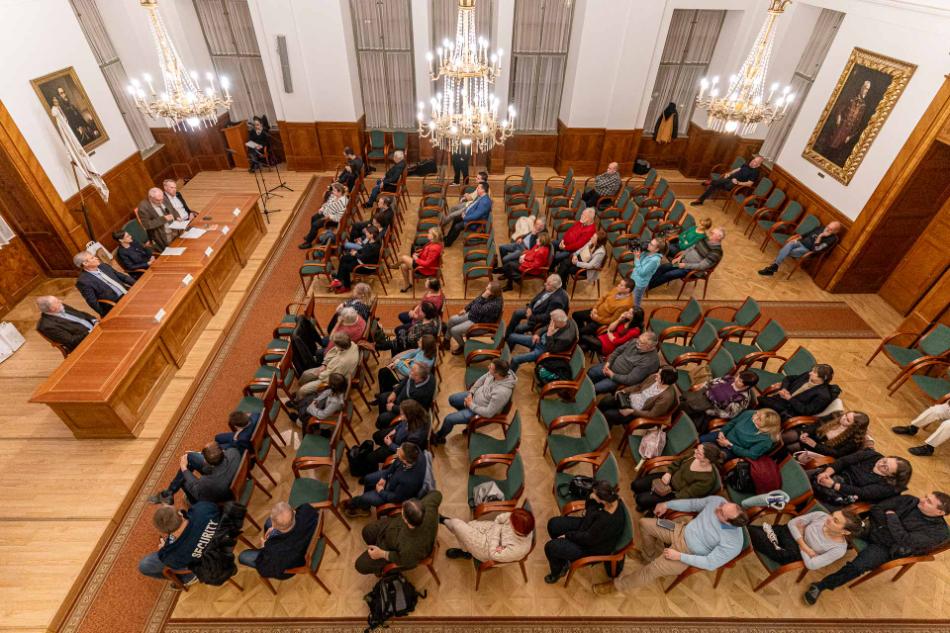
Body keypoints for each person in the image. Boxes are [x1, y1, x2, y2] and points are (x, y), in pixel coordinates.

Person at [803, 491, 949, 605]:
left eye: (929, 502)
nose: (922, 499)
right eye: (926, 496)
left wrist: (892, 517)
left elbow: (905, 540)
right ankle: (806, 542)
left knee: (857, 567)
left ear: (940, 513)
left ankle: (821, 586)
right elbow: (877, 508)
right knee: (839, 525)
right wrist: (891, 526)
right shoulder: (910, 500)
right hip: (873, 527)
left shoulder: (939, 533)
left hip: (886, 548)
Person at [593, 496, 749, 594]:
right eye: (722, 506)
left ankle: (617, 586)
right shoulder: (719, 502)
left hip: (687, 553)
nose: (718, 508)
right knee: (644, 523)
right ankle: (647, 556)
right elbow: (693, 504)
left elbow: (709, 563)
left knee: (652, 570)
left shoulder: (733, 544)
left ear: (730, 523)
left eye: (721, 512)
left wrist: (679, 556)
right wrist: (667, 504)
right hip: (679, 530)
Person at [544, 480, 625, 584]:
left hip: (591, 547)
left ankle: (558, 571)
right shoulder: (609, 500)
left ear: (603, 500)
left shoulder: (607, 521)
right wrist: (591, 498)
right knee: (553, 524)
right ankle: (562, 558)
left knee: (550, 548)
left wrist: (567, 536)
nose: (592, 494)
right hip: (588, 527)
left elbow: (588, 538)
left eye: (594, 494)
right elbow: (588, 510)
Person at [354, 490, 442, 575]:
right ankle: (375, 550)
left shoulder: (410, 548)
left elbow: (405, 561)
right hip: (393, 526)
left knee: (360, 565)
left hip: (391, 547)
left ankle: (379, 566)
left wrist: (382, 554)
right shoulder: (428, 506)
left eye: (403, 510)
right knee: (366, 531)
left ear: (405, 519)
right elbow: (437, 494)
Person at [432, 359, 515, 444]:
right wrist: (471, 393)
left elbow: (489, 413)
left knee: (449, 419)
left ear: (497, 374)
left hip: (478, 410)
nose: (488, 367)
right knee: (452, 399)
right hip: (473, 397)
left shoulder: (502, 393)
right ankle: (468, 422)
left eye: (490, 367)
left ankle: (438, 438)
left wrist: (470, 405)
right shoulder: (494, 373)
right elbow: (480, 380)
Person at [138, 502, 221, 586]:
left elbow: (173, 564)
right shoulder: (204, 509)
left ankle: (188, 577)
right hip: (222, 543)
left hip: (204, 563)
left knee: (144, 566)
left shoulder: (168, 555)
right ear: (180, 514)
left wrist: (164, 549)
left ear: (164, 531)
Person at [749, 508, 862, 570]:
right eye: (832, 515)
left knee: (751, 532)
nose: (829, 519)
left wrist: (801, 535)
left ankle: (745, 537)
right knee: (754, 532)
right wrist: (806, 547)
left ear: (845, 532)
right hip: (785, 532)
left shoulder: (839, 549)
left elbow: (812, 565)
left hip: (790, 552)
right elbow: (792, 523)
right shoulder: (821, 515)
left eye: (835, 521)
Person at [630, 442, 724, 513]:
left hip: (674, 493)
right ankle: (646, 499)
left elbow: (687, 494)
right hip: (669, 477)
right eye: (697, 449)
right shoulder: (693, 454)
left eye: (699, 453)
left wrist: (668, 502)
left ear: (707, 459)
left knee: (641, 500)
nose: (695, 451)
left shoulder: (707, 479)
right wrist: (669, 473)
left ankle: (647, 506)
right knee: (635, 485)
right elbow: (677, 462)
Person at [238, 501, 319, 578]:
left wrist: (263, 547)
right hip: (305, 541)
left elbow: (265, 571)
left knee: (243, 556)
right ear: (294, 512)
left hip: (294, 564)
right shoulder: (306, 510)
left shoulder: (273, 549)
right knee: (268, 523)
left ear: (274, 525)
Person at [342, 442, 426, 517]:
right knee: (367, 478)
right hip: (392, 478)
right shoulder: (414, 449)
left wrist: (381, 491)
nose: (397, 452)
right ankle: (365, 506)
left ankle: (357, 503)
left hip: (390, 493)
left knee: (365, 497)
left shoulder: (409, 482)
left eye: (399, 454)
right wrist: (383, 477)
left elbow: (396, 498)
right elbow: (395, 463)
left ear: (405, 461)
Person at [148, 440, 241, 506]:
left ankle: (195, 504)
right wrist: (198, 454)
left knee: (184, 480)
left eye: (204, 457)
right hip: (226, 475)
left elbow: (196, 489)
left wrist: (184, 468)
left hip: (223, 494)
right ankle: (169, 492)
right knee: (190, 457)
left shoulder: (207, 481)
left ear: (208, 463)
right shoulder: (233, 452)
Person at [810, 450, 912, 509]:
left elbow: (861, 492)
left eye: (886, 468)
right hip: (832, 474)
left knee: (811, 504)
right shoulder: (873, 455)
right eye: (884, 461)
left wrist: (833, 485)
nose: (881, 464)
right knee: (802, 480)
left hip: (844, 492)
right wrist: (827, 473)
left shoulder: (888, 486)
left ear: (891, 476)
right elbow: (843, 461)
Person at [444, 507, 535, 563]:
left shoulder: (518, 549)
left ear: (515, 528)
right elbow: (500, 518)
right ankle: (465, 552)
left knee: (456, 525)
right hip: (490, 529)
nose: (509, 518)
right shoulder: (520, 520)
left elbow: (493, 554)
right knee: (464, 527)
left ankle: (443, 520)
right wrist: (497, 530)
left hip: (485, 547)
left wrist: (497, 530)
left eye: (510, 522)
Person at [680, 371, 759, 434]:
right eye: (738, 376)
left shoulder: (741, 398)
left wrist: (710, 411)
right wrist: (704, 388)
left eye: (740, 381)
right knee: (685, 401)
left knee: (687, 407)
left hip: (711, 409)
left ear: (746, 386)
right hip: (703, 395)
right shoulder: (729, 378)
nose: (736, 379)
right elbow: (711, 382)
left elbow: (729, 414)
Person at [597, 366, 679, 428]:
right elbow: (639, 387)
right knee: (606, 401)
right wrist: (624, 390)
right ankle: (596, 418)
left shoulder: (666, 398)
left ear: (664, 381)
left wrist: (632, 411)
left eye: (659, 375)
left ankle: (602, 432)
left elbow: (652, 414)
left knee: (609, 415)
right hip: (630, 399)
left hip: (638, 412)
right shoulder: (654, 378)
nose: (656, 374)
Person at [586, 331, 660, 394]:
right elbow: (618, 350)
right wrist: (608, 363)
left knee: (596, 388)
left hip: (619, 379)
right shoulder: (636, 341)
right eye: (639, 339)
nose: (637, 342)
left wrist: (612, 375)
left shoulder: (649, 361)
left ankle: (588, 399)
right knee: (591, 372)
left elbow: (631, 379)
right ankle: (585, 390)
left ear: (649, 347)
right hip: (610, 366)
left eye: (641, 343)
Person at [757, 364, 840, 420]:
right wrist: (784, 388)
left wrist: (790, 398)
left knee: (761, 401)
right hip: (783, 399)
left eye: (814, 372)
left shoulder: (823, 396)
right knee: (761, 403)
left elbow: (806, 411)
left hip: (790, 410)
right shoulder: (807, 375)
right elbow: (789, 378)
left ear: (822, 378)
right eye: (812, 370)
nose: (810, 373)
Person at [649, 228, 724, 289]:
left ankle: (648, 286)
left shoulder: (716, 252)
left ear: (719, 237)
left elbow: (702, 266)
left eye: (713, 233)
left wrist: (685, 265)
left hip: (691, 270)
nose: (710, 233)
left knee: (668, 274)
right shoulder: (705, 240)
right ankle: (647, 281)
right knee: (664, 267)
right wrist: (680, 257)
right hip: (682, 262)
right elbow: (690, 248)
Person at [758, 222, 843, 276]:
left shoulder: (832, 239)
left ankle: (773, 267)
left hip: (807, 250)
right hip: (800, 242)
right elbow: (808, 233)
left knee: (786, 250)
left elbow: (816, 249)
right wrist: (798, 238)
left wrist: (820, 237)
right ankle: (774, 266)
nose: (827, 229)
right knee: (790, 243)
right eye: (828, 226)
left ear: (835, 231)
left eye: (830, 229)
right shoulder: (820, 227)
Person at [508, 309, 577, 374]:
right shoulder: (563, 321)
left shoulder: (565, 338)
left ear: (558, 322)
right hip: (539, 339)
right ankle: (506, 356)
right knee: (511, 336)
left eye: (552, 320)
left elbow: (552, 350)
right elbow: (546, 327)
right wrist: (537, 334)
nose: (551, 322)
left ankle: (509, 378)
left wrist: (549, 335)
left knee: (515, 359)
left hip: (543, 349)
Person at [698, 408, 781, 461]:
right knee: (700, 440)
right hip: (724, 436)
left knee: (712, 457)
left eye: (759, 419)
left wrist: (729, 445)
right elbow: (733, 423)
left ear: (766, 426)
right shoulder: (750, 414)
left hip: (733, 450)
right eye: (757, 414)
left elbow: (751, 455)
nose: (755, 417)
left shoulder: (766, 440)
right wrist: (722, 432)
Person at [445, 281, 504, 354]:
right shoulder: (487, 293)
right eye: (487, 287)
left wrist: (482, 298)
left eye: (488, 288)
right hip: (474, 316)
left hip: (480, 324)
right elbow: (475, 301)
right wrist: (466, 309)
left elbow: (478, 310)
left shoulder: (495, 304)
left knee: (454, 330)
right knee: (452, 319)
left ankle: (462, 346)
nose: (486, 288)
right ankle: (446, 340)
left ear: (493, 292)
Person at [296, 332, 360, 399]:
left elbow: (331, 377)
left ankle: (297, 400)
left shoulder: (342, 363)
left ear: (340, 347)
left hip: (333, 380)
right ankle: (302, 388)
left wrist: (319, 374)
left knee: (302, 390)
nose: (335, 346)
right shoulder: (351, 344)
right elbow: (333, 352)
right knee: (305, 374)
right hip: (329, 370)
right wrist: (324, 364)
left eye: (335, 345)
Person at [366, 399, 431, 466]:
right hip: (398, 437)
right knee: (376, 436)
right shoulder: (414, 417)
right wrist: (395, 430)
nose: (400, 416)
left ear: (409, 415)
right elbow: (402, 423)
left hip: (398, 448)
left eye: (402, 414)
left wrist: (390, 444)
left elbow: (406, 452)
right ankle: (382, 448)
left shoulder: (415, 436)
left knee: (370, 458)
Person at [784, 410, 870, 458]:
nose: (843, 418)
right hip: (811, 436)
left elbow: (837, 454)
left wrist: (815, 445)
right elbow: (816, 424)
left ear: (854, 427)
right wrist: (807, 432)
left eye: (847, 420)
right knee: (788, 436)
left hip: (818, 450)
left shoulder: (853, 441)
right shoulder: (836, 415)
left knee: (790, 448)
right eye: (846, 415)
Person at [504, 274, 569, 338]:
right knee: (517, 313)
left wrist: (531, 317)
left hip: (539, 319)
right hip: (534, 310)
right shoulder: (549, 287)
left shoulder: (557, 301)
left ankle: (512, 340)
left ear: (554, 287)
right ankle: (507, 335)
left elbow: (546, 317)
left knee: (519, 328)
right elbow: (537, 298)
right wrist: (530, 307)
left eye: (548, 284)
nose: (545, 284)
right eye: (546, 282)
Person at [73, 251, 136, 316]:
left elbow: (122, 276)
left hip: (127, 291)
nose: (96, 258)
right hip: (116, 303)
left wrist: (136, 283)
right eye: (92, 258)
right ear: (85, 263)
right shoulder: (83, 281)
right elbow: (92, 302)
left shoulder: (104, 266)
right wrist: (105, 314)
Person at [375, 363, 436, 429]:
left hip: (406, 410)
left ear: (418, 377)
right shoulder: (422, 374)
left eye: (412, 371)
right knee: (382, 398)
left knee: (382, 418)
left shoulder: (421, 394)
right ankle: (386, 417)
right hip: (401, 399)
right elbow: (406, 379)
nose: (410, 371)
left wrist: (393, 407)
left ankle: (386, 429)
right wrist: (395, 393)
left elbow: (411, 411)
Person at [691, 155, 764, 206]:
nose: (752, 162)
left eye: (755, 162)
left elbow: (750, 183)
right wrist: (729, 173)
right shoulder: (746, 164)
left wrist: (738, 182)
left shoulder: (755, 172)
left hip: (734, 186)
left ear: (758, 165)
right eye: (753, 160)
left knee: (723, 182)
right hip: (729, 180)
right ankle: (700, 200)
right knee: (714, 185)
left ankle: (711, 182)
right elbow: (737, 169)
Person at [331, 224, 381, 292]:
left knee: (345, 267)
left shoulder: (372, 247)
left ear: (371, 235)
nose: (366, 233)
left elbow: (363, 257)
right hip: (363, 260)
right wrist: (357, 251)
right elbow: (364, 251)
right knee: (344, 258)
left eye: (367, 233)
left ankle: (346, 286)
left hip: (366, 267)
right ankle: (338, 280)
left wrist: (355, 254)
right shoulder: (372, 241)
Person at [578, 307, 643, 357]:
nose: (626, 313)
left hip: (611, 346)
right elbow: (610, 328)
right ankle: (577, 354)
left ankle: (576, 354)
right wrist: (619, 319)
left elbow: (618, 342)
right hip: (606, 338)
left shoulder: (635, 331)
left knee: (583, 337)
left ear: (634, 317)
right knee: (586, 345)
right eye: (628, 311)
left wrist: (609, 334)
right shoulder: (626, 320)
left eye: (629, 313)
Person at [299, 182, 348, 249]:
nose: (332, 192)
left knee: (315, 225)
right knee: (314, 217)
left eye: (334, 191)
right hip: (326, 213)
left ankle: (308, 243)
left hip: (331, 220)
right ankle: (311, 234)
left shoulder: (342, 202)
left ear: (339, 192)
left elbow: (339, 218)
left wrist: (329, 217)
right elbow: (327, 203)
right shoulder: (334, 196)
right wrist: (322, 208)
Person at [445, 182, 492, 247]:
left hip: (474, 223)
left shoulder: (485, 202)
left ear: (483, 190)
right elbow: (473, 207)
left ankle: (447, 243)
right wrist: (466, 212)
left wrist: (465, 217)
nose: (477, 189)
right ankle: (447, 237)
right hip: (469, 216)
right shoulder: (482, 196)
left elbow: (476, 216)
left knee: (457, 226)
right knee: (456, 219)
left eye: (478, 188)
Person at [399, 227, 443, 293]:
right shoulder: (432, 243)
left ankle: (395, 266)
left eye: (429, 233)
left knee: (403, 257)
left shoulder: (434, 248)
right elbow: (425, 251)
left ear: (434, 236)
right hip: (421, 262)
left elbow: (427, 264)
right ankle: (407, 284)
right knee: (403, 266)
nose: (427, 234)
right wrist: (418, 254)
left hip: (425, 269)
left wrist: (416, 259)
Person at [630, 238, 667, 307]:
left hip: (639, 283)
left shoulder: (655, 260)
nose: (648, 245)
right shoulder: (647, 252)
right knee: (630, 299)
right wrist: (639, 253)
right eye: (650, 242)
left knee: (635, 303)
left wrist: (637, 258)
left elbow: (642, 273)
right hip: (634, 277)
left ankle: (636, 312)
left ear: (657, 249)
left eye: (651, 245)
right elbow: (638, 263)